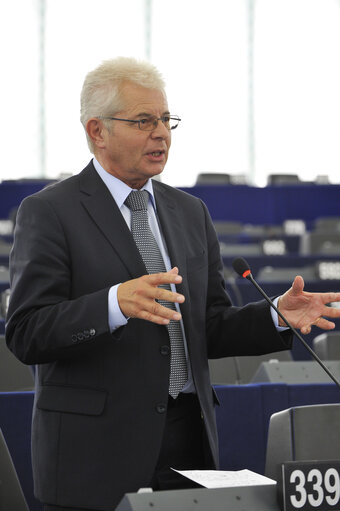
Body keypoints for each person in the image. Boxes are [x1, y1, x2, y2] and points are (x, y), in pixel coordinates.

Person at [5, 57, 340, 511]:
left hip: (189, 442)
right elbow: (26, 332)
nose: (161, 132)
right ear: (97, 131)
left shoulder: (189, 212)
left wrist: (274, 315)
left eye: (166, 119)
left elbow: (211, 326)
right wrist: (112, 304)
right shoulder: (49, 212)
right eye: (143, 120)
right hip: (96, 453)